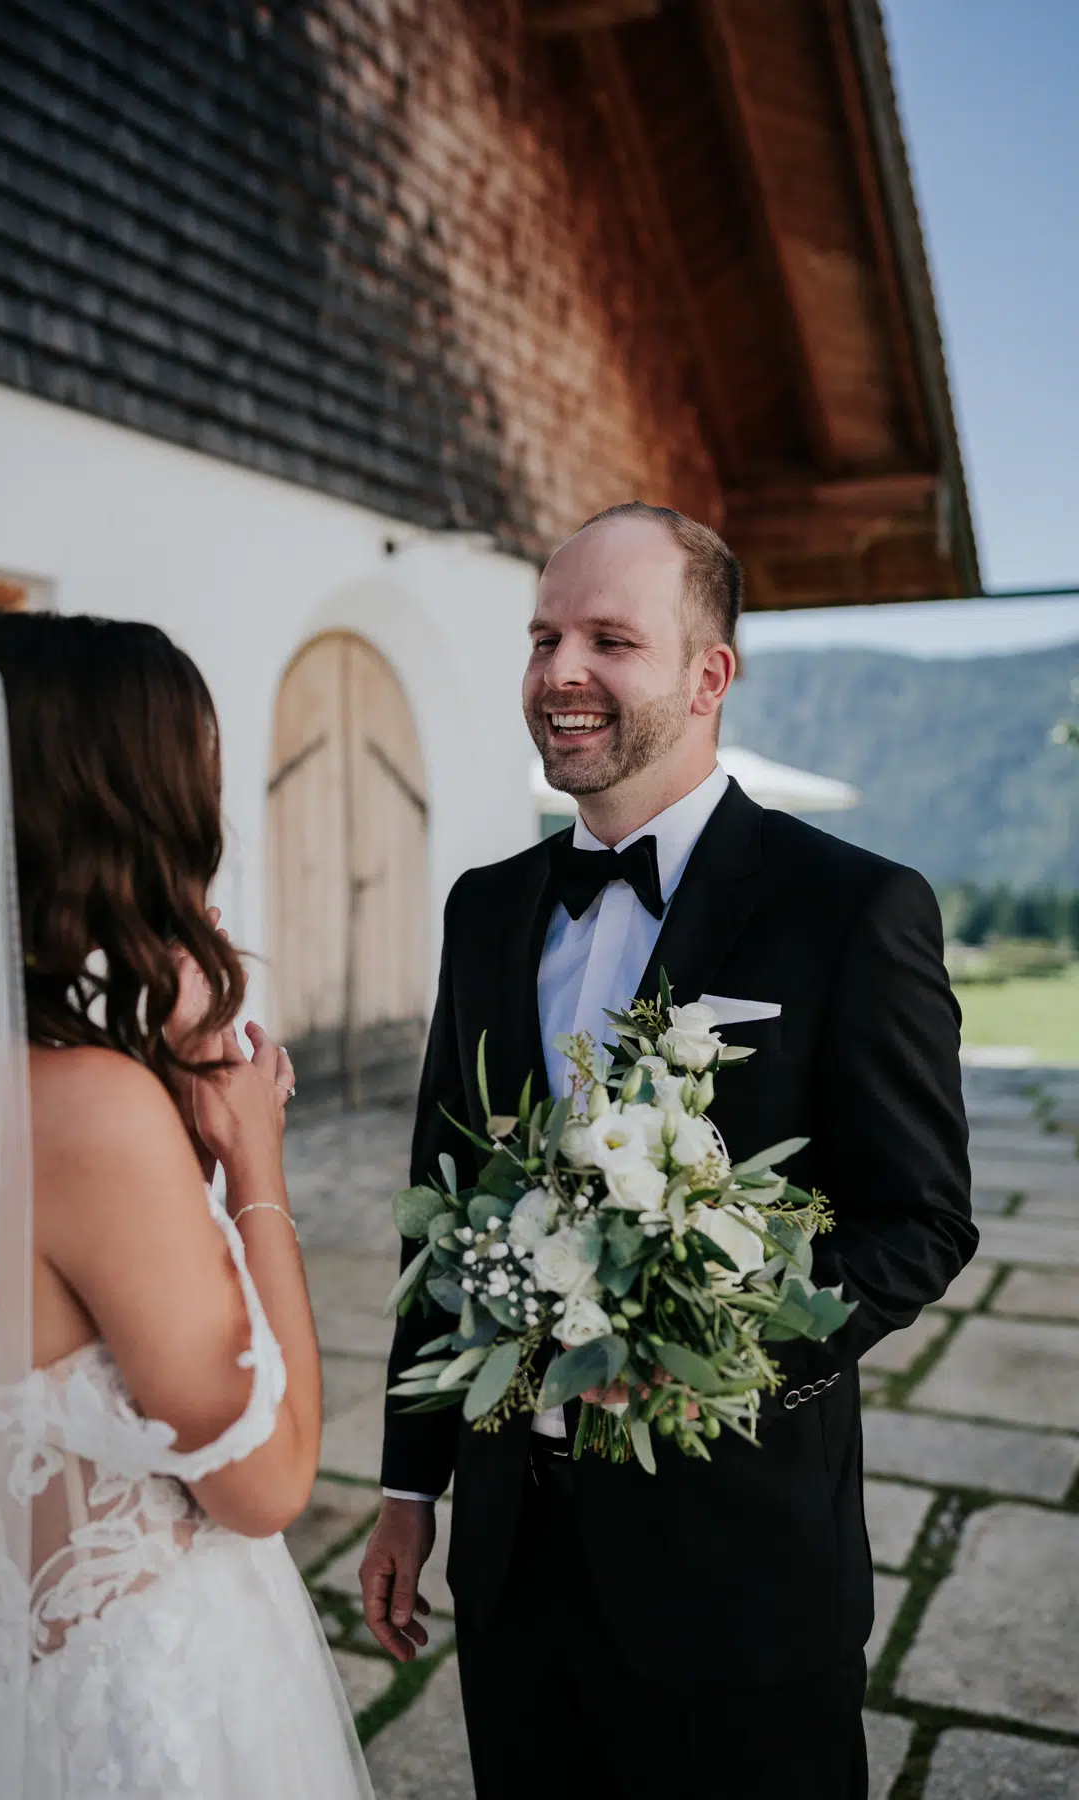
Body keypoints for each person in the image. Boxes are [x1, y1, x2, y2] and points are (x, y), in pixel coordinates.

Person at [360, 503, 976, 1800]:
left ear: (709, 675)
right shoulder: (484, 910)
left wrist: (695, 1346)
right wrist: (411, 1488)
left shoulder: (852, 909)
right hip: (513, 1555)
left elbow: (919, 1221)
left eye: (607, 639)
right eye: (542, 637)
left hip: (737, 1558)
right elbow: (442, 1202)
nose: (559, 672)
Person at [0, 611, 373, 1800]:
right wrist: (251, 1159)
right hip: (127, 1708)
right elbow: (266, 1485)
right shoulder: (87, 1112)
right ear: (121, 808)